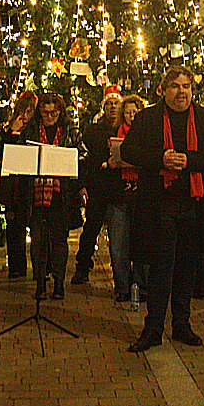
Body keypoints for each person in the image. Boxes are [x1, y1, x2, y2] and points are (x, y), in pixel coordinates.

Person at [121, 65, 204, 352]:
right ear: (163, 90)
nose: (182, 92)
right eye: (176, 86)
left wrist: (190, 161)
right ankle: (154, 328)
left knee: (186, 268)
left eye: (186, 87)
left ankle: (182, 324)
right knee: (161, 269)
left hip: (195, 204)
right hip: (159, 206)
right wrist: (161, 159)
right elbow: (128, 151)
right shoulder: (148, 117)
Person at [25, 92, 85, 300]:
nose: (50, 116)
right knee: (38, 241)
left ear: (60, 112)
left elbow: (83, 155)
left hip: (62, 194)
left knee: (60, 240)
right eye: (45, 112)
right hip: (36, 194)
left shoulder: (70, 131)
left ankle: (59, 283)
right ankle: (40, 283)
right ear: (39, 112)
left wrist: (69, 161)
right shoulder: (31, 130)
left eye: (54, 112)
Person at [83, 91, 142, 301]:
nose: (131, 116)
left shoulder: (146, 133)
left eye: (135, 112)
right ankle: (122, 288)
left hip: (140, 196)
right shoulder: (111, 132)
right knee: (118, 247)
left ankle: (141, 287)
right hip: (117, 195)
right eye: (127, 112)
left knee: (141, 246)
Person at [74, 86, 123, 285]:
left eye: (116, 103)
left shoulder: (126, 127)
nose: (113, 107)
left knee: (119, 233)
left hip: (120, 188)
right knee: (91, 228)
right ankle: (82, 266)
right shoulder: (93, 130)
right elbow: (85, 159)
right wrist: (83, 184)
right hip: (99, 187)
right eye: (109, 103)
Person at [0, 92, 36, 278]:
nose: (25, 117)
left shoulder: (35, 130)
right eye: (21, 112)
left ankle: (41, 267)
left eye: (28, 112)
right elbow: (2, 151)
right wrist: (12, 132)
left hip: (30, 186)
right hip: (13, 187)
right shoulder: (7, 131)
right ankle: (16, 267)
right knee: (14, 228)